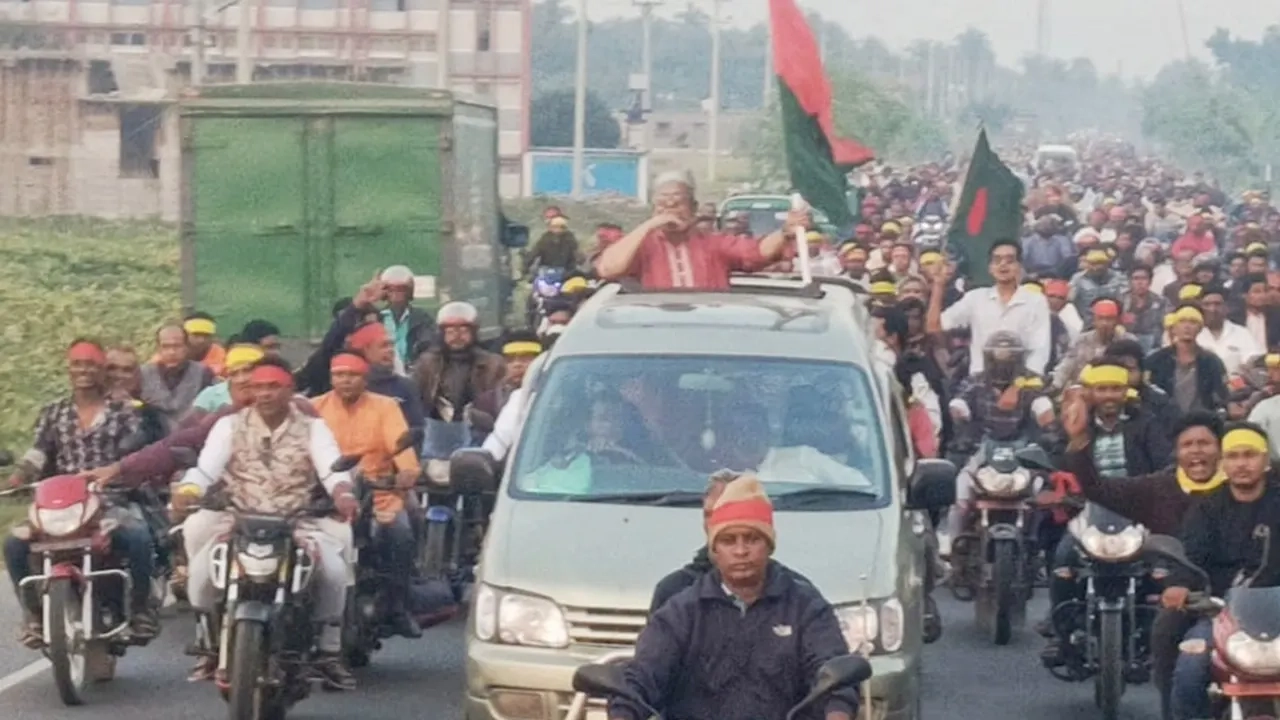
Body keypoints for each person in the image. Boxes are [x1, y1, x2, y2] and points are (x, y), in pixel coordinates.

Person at [608, 475, 858, 720]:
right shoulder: (681, 611)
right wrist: (623, 712)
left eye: (752, 539)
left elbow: (834, 676)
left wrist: (837, 712)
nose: (741, 550)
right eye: (728, 540)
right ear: (714, 548)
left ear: (769, 544)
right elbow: (642, 678)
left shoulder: (806, 606)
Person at [176, 357, 358, 690]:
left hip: (297, 522)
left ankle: (328, 652)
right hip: (238, 520)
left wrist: (343, 492)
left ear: (290, 390)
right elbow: (205, 469)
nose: (265, 394)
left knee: (332, 571)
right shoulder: (229, 425)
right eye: (258, 386)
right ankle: (209, 644)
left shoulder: (312, 427)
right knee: (201, 574)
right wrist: (190, 490)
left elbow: (332, 469)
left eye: (273, 386)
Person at [4, 339, 156, 646]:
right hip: (59, 504)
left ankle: (140, 610)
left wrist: (120, 470)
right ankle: (33, 615)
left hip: (109, 500)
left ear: (102, 370)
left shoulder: (123, 411)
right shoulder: (53, 412)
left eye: (91, 364)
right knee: (13, 544)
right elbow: (39, 452)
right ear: (69, 369)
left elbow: (134, 453)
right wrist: (18, 476)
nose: (84, 370)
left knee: (139, 536)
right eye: (77, 364)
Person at [1167, 422, 1280, 720]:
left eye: (1250, 454)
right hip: (1220, 614)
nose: (1242, 463)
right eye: (1233, 456)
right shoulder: (1205, 508)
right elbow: (1189, 556)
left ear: (1266, 461)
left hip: (1278, 612)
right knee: (1189, 670)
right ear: (1223, 463)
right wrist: (1179, 585)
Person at [312, 352, 423, 639]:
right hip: (324, 497)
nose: (345, 381)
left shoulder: (385, 407)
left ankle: (397, 605)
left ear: (365, 378)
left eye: (353, 375)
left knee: (400, 532)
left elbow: (403, 449)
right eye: (339, 375)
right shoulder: (314, 408)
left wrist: (407, 471)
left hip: (378, 493)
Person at [595, 171, 798, 290]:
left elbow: (758, 251)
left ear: (693, 207)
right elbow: (608, 269)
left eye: (678, 203)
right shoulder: (642, 246)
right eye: (663, 204)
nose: (670, 209)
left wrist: (785, 232)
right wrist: (649, 225)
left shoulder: (713, 243)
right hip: (656, 331)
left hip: (708, 328)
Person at [926, 239, 1052, 376]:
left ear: (1019, 266)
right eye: (997, 260)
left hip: (1024, 381)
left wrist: (1019, 387)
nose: (1003, 264)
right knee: (957, 399)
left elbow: (1040, 351)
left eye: (1009, 260)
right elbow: (934, 327)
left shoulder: (1036, 301)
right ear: (990, 267)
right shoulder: (975, 298)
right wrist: (938, 285)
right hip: (980, 380)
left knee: (1042, 399)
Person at [412, 301, 505, 422]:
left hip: (481, 431)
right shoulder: (427, 363)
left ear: (474, 333)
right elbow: (415, 399)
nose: (457, 336)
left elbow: (500, 401)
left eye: (463, 331)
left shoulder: (493, 364)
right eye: (450, 331)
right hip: (437, 430)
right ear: (441, 334)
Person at [345, 321, 427, 432]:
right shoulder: (350, 387)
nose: (390, 350)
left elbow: (418, 428)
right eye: (383, 346)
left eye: (391, 345)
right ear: (365, 350)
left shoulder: (406, 386)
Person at [1148, 305, 1229, 414]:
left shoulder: (1212, 361)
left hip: (1201, 420)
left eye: (1193, 322)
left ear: (1200, 328)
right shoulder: (1156, 360)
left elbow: (1221, 394)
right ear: (1174, 328)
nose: (1187, 326)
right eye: (1182, 321)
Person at [140, 321, 216, 432]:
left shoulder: (203, 373)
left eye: (177, 346)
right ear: (158, 348)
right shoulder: (143, 374)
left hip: (191, 439)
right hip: (152, 439)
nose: (172, 352)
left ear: (187, 347)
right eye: (165, 347)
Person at [470, 330, 542, 443]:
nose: (517, 364)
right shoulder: (487, 403)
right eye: (510, 360)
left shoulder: (554, 397)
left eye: (526, 358)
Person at [1053, 298, 1127, 391]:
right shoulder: (1081, 340)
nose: (1104, 323)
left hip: (1115, 389)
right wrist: (1055, 385)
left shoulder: (1126, 342)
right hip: (1083, 390)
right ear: (1094, 320)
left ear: (1117, 321)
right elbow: (1067, 365)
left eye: (1109, 319)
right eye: (1100, 318)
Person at [376, 265, 437, 369]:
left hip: (413, 371)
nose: (396, 295)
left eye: (401, 290)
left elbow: (428, 342)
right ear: (384, 293)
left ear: (409, 292)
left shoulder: (421, 317)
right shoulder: (376, 318)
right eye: (391, 290)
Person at [105, 344, 167, 445]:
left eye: (127, 370)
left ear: (137, 376)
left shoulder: (150, 417)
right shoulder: (81, 408)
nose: (119, 375)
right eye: (112, 368)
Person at [1197, 284, 1263, 376]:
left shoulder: (1242, 333)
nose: (1213, 309)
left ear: (1226, 307)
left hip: (1237, 387)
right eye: (1207, 305)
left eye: (1217, 304)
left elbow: (1254, 361)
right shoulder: (1194, 335)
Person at [191, 344, 267, 414]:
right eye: (234, 374)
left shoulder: (275, 399)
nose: (241, 379)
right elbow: (188, 426)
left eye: (248, 370)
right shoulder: (210, 395)